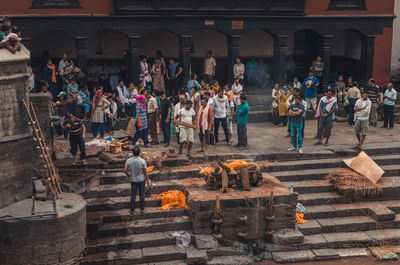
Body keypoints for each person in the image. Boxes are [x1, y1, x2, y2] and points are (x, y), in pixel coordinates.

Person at [124, 146, 149, 215]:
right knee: (142, 194)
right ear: (139, 153)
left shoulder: (129, 160)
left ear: (132, 153)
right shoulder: (142, 161)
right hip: (141, 180)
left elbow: (125, 170)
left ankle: (132, 210)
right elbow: (146, 172)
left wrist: (129, 175)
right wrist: (148, 180)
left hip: (133, 180)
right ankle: (142, 209)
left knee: (133, 195)